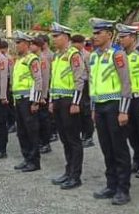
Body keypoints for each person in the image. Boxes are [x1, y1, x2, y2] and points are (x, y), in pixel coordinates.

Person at [89, 18, 133, 206]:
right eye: (94, 33)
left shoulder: (118, 54)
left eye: (98, 33)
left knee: (119, 148)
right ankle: (111, 184)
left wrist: (123, 110)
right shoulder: (94, 56)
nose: (95, 36)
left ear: (109, 34)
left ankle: (123, 189)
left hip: (114, 106)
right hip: (99, 107)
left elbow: (126, 83)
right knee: (106, 147)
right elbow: (93, 84)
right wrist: (93, 108)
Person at [48, 23, 86, 189]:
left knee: (73, 139)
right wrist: (51, 100)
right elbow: (53, 80)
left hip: (69, 101)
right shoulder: (57, 56)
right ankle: (68, 171)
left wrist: (76, 102)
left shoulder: (73, 54)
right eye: (53, 36)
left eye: (56, 36)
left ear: (65, 37)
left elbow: (79, 79)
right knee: (64, 139)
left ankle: (75, 176)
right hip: (58, 100)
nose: (53, 39)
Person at [116, 23, 139, 178]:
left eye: (123, 37)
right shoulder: (120, 54)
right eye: (120, 37)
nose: (121, 40)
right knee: (130, 132)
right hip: (126, 98)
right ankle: (136, 159)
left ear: (132, 37)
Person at [11, 31, 44, 172]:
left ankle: (34, 161)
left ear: (26, 43)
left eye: (18, 42)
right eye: (16, 42)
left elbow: (38, 80)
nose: (16, 45)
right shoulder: (19, 60)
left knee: (31, 131)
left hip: (28, 100)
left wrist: (35, 101)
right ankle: (26, 158)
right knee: (22, 131)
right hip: (18, 100)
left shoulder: (32, 59)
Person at [72, 34, 95, 148]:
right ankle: (82, 134)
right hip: (75, 84)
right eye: (74, 42)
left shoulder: (87, 55)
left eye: (78, 43)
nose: (75, 45)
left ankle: (88, 136)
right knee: (79, 111)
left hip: (85, 84)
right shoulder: (72, 54)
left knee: (86, 111)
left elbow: (90, 72)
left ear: (82, 44)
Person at [31, 36, 52, 154]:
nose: (31, 47)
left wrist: (43, 95)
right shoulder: (33, 58)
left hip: (42, 94)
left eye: (33, 44)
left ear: (38, 46)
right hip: (35, 93)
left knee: (44, 119)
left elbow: (45, 78)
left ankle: (45, 143)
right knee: (37, 119)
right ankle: (39, 141)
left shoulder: (42, 59)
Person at [1, 40, 17, 133]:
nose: (2, 51)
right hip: (2, 83)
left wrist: (11, 85)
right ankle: (7, 122)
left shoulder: (9, 58)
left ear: (6, 49)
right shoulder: (0, 58)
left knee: (9, 105)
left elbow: (11, 72)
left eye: (3, 49)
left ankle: (12, 123)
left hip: (8, 82)